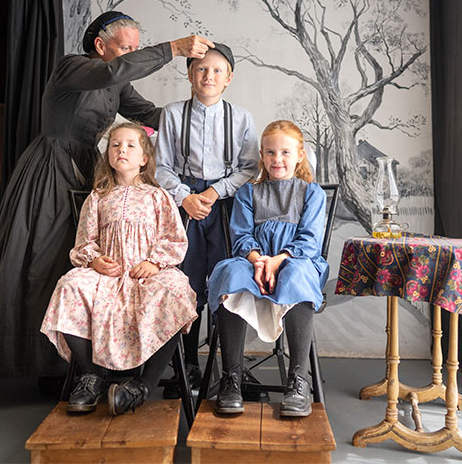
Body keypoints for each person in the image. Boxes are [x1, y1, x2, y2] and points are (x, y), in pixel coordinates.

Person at [0, 10, 213, 378]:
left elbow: (150, 115)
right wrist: (172, 49)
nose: (131, 55)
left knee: (83, 262)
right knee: (44, 260)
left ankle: (84, 366)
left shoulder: (117, 85)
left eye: (135, 49)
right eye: (127, 48)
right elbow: (112, 71)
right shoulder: (73, 67)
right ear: (100, 45)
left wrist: (201, 110)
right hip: (51, 167)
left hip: (87, 168)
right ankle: (40, 365)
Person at [40, 121, 197, 414]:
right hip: (107, 275)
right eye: (115, 145)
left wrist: (154, 262)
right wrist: (95, 259)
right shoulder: (98, 197)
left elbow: (175, 239)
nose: (121, 150)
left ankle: (142, 386)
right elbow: (84, 242)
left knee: (176, 291)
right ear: (108, 155)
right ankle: (91, 376)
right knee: (70, 285)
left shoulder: (157, 196)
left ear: (144, 158)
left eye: (130, 145)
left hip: (146, 273)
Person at [155, 43, 259, 392]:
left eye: (216, 71)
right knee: (187, 279)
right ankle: (187, 365)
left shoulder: (242, 118)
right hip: (184, 207)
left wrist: (214, 193)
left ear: (228, 78)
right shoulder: (171, 114)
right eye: (200, 69)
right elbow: (161, 167)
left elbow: (249, 168)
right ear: (189, 75)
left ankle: (229, 366)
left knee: (226, 279)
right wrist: (185, 197)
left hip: (225, 206)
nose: (208, 76)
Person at [207, 120, 329, 417]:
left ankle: (297, 380)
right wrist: (258, 260)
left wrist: (278, 260)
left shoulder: (311, 193)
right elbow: (241, 235)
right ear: (262, 156)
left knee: (296, 274)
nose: (278, 159)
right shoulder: (249, 193)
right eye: (271, 153)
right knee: (229, 273)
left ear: (300, 155)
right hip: (254, 260)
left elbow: (310, 241)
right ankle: (232, 378)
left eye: (285, 152)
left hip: (297, 259)